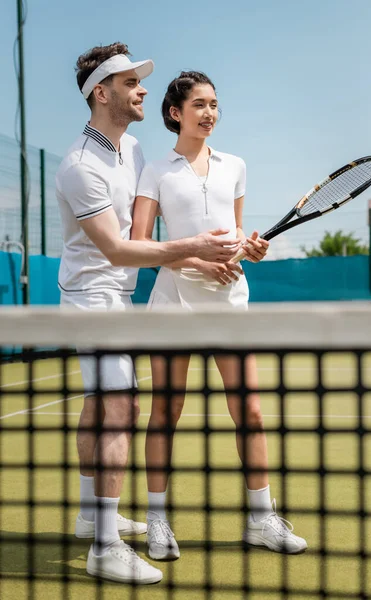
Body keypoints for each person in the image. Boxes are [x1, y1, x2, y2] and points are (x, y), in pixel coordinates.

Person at [56, 45, 241, 585]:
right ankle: (105, 548)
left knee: (100, 405)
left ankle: (92, 515)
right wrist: (193, 249)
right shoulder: (79, 166)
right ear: (101, 92)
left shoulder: (132, 148)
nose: (141, 90)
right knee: (119, 409)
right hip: (93, 298)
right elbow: (117, 249)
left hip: (118, 296)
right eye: (130, 82)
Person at [132, 71, 308, 560]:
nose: (210, 113)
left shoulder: (236, 165)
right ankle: (157, 520)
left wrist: (249, 247)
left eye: (215, 105)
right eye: (200, 105)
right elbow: (141, 243)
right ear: (175, 113)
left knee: (249, 409)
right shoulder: (157, 171)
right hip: (174, 303)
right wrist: (195, 260)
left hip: (230, 301)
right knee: (167, 411)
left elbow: (233, 233)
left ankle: (261, 519)